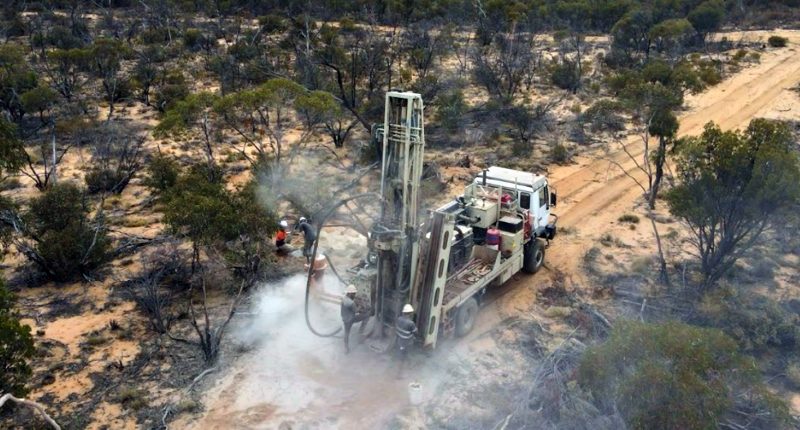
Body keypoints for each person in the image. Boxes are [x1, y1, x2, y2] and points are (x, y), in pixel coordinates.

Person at [340, 284, 370, 354]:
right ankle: (360, 335)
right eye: (354, 294)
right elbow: (357, 311)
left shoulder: (344, 299)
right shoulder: (351, 303)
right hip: (351, 319)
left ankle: (346, 348)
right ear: (350, 294)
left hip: (345, 319)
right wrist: (360, 305)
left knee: (346, 333)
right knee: (367, 316)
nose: (354, 295)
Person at [395, 304, 417, 376]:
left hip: (400, 341)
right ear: (410, 313)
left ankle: (400, 371)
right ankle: (401, 372)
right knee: (407, 355)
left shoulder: (399, 319)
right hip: (408, 343)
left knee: (401, 357)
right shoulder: (411, 323)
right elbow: (415, 332)